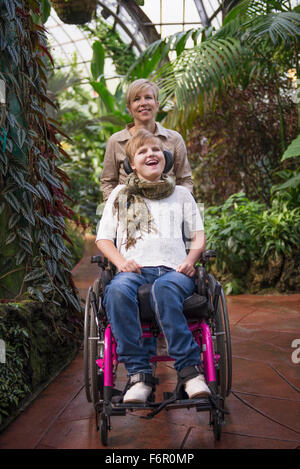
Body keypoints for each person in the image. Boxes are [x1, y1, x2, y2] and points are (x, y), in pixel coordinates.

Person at [96, 129, 211, 403]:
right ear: (132, 164)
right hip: (133, 271)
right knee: (116, 291)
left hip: (174, 272)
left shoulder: (182, 194)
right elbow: (103, 239)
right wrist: (121, 262)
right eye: (142, 151)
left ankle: (190, 372)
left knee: (163, 288)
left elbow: (198, 236)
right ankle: (139, 376)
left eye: (156, 150)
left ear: (166, 158)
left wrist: (190, 260)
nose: (151, 154)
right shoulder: (120, 195)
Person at [100, 78, 193, 202]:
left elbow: (185, 179)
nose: (143, 103)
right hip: (129, 212)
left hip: (166, 207)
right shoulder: (116, 141)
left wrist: (179, 205)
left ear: (157, 104)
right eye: (136, 99)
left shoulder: (174, 139)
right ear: (129, 108)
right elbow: (108, 182)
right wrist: (118, 209)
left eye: (148, 97)